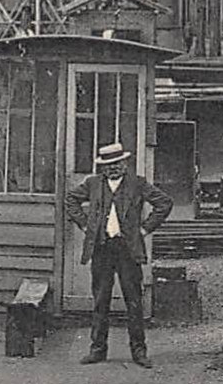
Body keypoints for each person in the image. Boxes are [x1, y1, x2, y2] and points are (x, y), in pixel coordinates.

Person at [63, 140, 172, 368]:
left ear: (125, 163)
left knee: (134, 301)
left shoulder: (138, 184)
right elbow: (70, 200)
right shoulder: (93, 184)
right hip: (101, 248)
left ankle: (139, 352)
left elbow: (164, 203)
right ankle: (97, 350)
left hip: (128, 250)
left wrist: (144, 229)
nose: (113, 168)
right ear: (102, 166)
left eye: (117, 163)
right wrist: (85, 225)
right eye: (108, 164)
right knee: (100, 300)